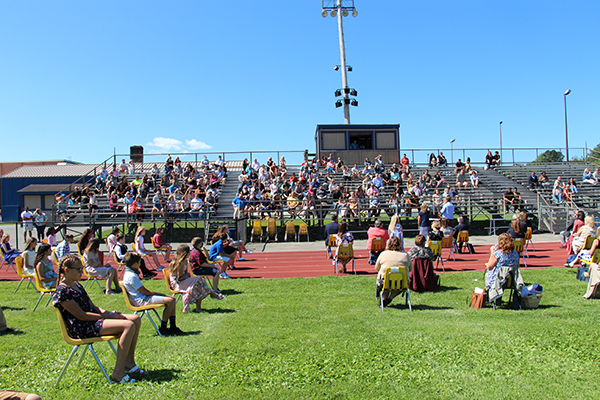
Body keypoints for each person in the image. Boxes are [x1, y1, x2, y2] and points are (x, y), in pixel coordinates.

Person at [53, 255, 142, 384]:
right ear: (66, 270)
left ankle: (129, 363)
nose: (81, 272)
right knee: (128, 326)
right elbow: (82, 316)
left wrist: (110, 313)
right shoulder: (62, 291)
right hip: (82, 327)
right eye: (78, 269)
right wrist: (108, 316)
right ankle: (118, 373)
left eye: (81, 268)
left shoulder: (77, 285)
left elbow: (93, 307)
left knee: (135, 319)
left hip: (92, 321)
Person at [121, 252, 183, 336]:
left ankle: (173, 327)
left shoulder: (130, 273)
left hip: (143, 298)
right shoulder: (131, 276)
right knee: (170, 300)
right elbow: (145, 292)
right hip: (142, 300)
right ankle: (163, 328)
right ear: (135, 264)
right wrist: (160, 294)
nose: (140, 265)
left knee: (172, 299)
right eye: (139, 263)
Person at [169, 244, 224, 313]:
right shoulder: (180, 263)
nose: (190, 253)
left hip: (183, 281)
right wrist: (187, 275)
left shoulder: (185, 261)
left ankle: (198, 309)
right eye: (189, 251)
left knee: (198, 286)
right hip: (177, 284)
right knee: (199, 279)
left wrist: (187, 275)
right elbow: (180, 278)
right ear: (185, 253)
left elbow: (186, 275)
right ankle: (212, 293)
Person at [375, 237, 412, 307]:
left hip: (385, 281)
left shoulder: (383, 254)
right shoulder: (406, 255)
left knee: (386, 283)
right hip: (402, 283)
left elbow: (377, 268)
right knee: (399, 284)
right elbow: (410, 268)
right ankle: (389, 298)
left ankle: (384, 300)